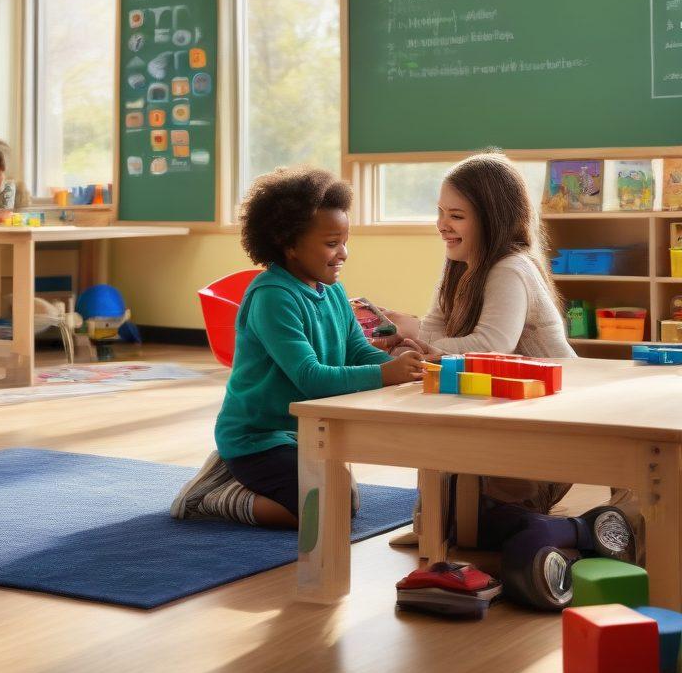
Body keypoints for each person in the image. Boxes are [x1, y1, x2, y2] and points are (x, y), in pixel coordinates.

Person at [376, 151, 639, 608]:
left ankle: (585, 529)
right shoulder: (456, 267)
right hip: (509, 419)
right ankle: (443, 526)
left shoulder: (510, 268)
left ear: (493, 219)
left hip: (558, 427)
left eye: (456, 215)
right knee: (453, 513)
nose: (443, 224)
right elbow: (440, 335)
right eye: (439, 213)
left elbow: (492, 344)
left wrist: (419, 335)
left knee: (485, 520)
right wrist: (414, 341)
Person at [171, 166, 424, 528]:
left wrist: (399, 361)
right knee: (328, 512)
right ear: (288, 243)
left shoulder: (332, 289)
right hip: (257, 440)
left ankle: (238, 480)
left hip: (305, 435)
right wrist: (385, 374)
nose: (343, 254)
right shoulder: (273, 296)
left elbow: (356, 350)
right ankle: (209, 496)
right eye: (331, 243)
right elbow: (310, 378)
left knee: (340, 500)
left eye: (345, 241)